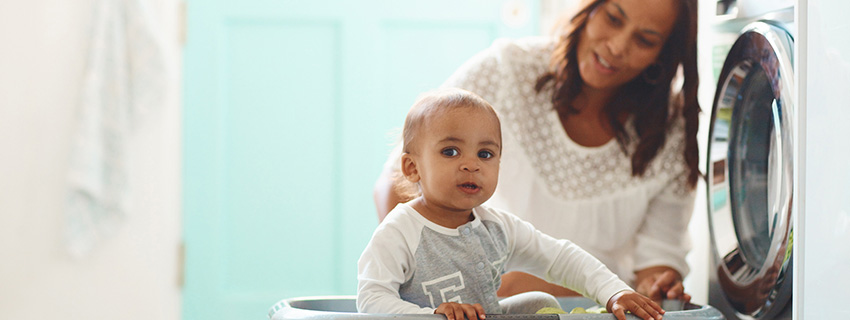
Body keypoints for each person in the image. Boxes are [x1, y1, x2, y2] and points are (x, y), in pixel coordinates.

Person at [373, 0, 700, 302]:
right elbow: (396, 184)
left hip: (596, 309)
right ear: (589, 9)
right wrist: (435, 288)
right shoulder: (505, 72)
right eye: (613, 18)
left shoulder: (670, 129)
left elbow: (658, 258)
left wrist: (658, 285)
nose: (616, 47)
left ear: (664, 54)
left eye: (645, 40)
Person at [357, 88, 666, 320]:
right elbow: (371, 299)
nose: (471, 165)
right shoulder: (400, 231)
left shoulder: (497, 227)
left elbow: (561, 258)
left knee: (539, 305)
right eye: (450, 152)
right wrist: (433, 315)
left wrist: (614, 292)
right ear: (412, 168)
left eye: (485, 154)